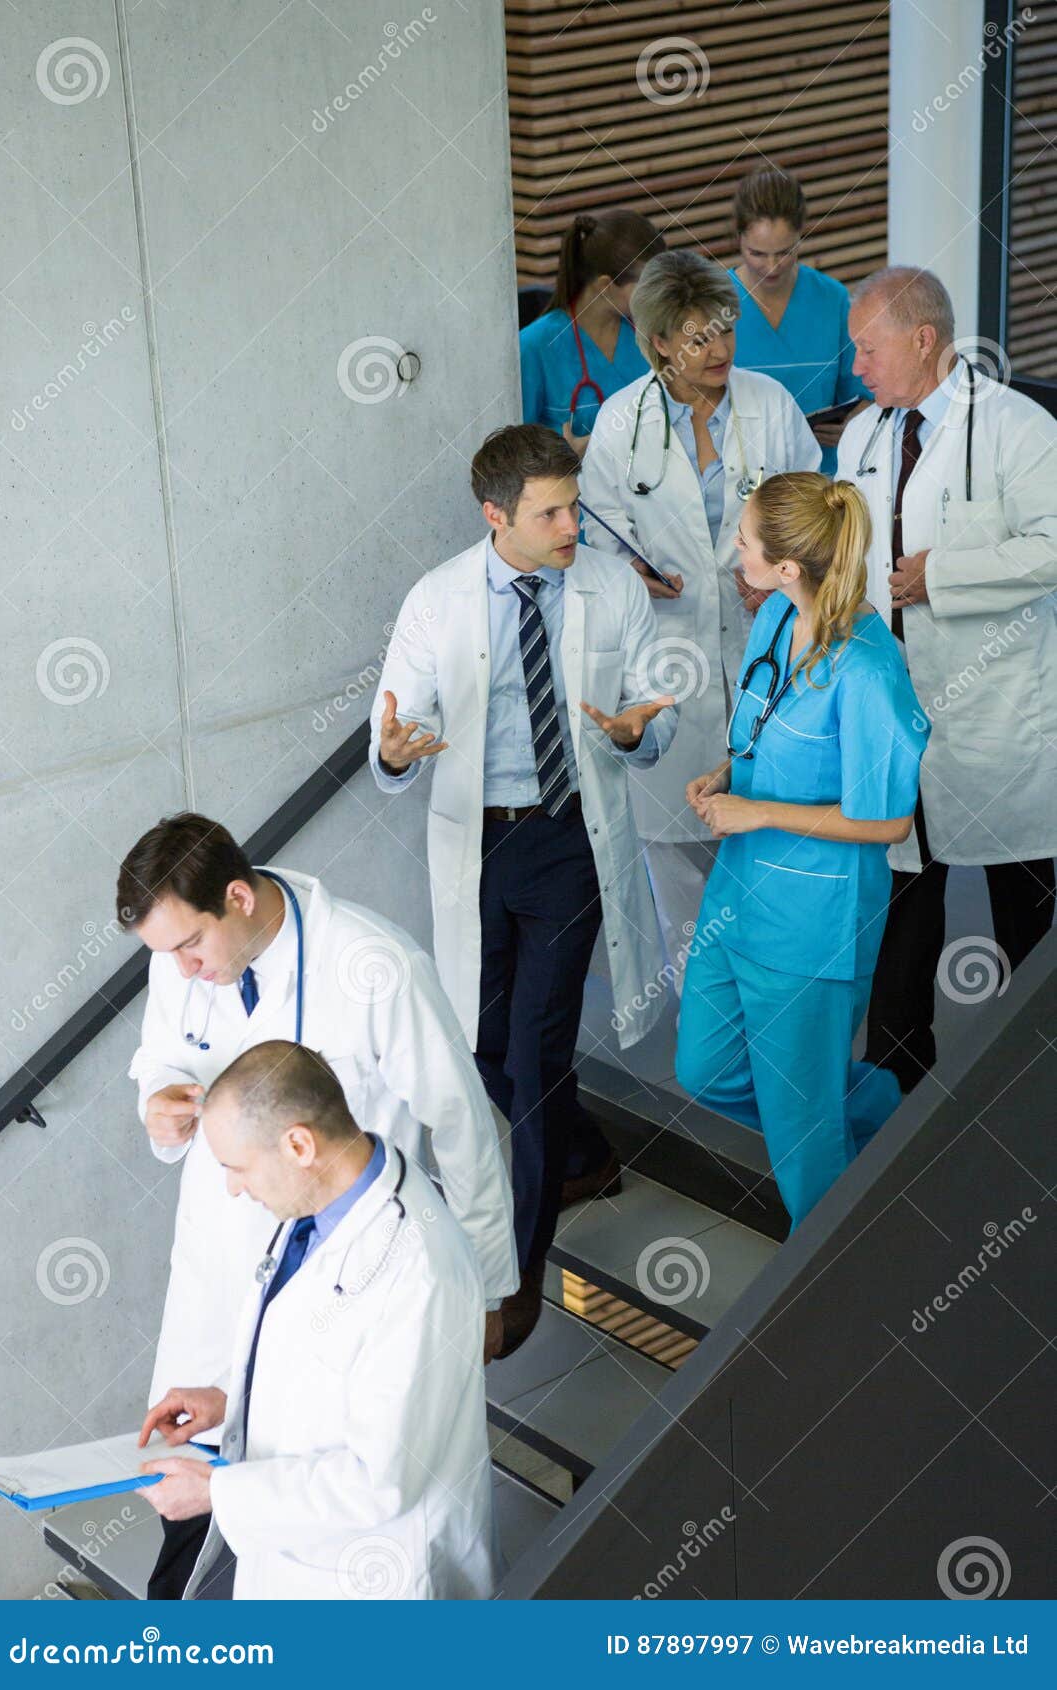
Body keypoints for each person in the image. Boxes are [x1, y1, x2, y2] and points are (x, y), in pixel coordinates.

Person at [119, 814, 517, 1597]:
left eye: (191, 946)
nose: (183, 970)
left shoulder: (374, 967)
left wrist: (489, 1291)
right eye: (167, 955)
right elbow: (158, 1056)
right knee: (198, 1513)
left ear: (238, 898)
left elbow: (462, 1123)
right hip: (223, 1274)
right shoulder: (180, 959)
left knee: (290, 1499)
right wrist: (156, 1101)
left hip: (345, 1267)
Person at [369, 424, 678, 1355]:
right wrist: (394, 753)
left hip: (570, 841)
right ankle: (582, 1155)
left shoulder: (611, 587)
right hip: (478, 844)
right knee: (482, 1041)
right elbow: (396, 726)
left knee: (537, 1057)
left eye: (573, 506)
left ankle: (519, 1269)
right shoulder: (437, 600)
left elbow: (649, 711)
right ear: (495, 515)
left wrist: (636, 733)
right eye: (550, 513)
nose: (571, 525)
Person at [138, 1041, 494, 1601]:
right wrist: (232, 1397)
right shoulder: (322, 1206)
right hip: (302, 1559)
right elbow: (320, 1354)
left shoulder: (418, 1271)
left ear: (298, 1144)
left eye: (237, 1168)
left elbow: (379, 1481)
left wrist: (216, 1493)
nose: (233, 1188)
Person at [675, 473, 929, 1229]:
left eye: (744, 540)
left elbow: (889, 822)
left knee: (803, 1141)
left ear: (787, 565)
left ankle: (833, 1274)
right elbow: (762, 732)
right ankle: (877, 1109)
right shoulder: (776, 618)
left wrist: (756, 810)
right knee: (704, 1069)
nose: (735, 551)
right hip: (739, 895)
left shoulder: (867, 669)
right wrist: (727, 774)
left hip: (812, 922)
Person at [838, 266, 1057, 1094]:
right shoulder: (861, 436)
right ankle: (894, 1077)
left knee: (1023, 916)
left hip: (998, 717)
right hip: (897, 714)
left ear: (922, 339)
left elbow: (1052, 546)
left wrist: (944, 575)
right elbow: (848, 554)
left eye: (867, 348)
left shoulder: (1015, 427)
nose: (855, 365)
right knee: (901, 906)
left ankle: (1033, 1082)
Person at [580, 250, 821, 990]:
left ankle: (780, 1008)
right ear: (658, 342)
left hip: (765, 649)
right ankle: (705, 1017)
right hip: (669, 656)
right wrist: (635, 576)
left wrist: (785, 576)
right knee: (682, 872)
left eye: (723, 330)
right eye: (695, 338)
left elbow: (816, 514)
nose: (718, 350)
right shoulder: (621, 422)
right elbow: (598, 541)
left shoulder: (770, 405)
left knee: (775, 855)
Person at [730, 166, 871, 473]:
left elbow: (865, 393)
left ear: (801, 236)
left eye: (784, 252)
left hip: (822, 480)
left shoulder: (832, 299)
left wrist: (856, 422)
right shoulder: (713, 305)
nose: (771, 267)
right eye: (757, 253)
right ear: (738, 239)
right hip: (739, 480)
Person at [520, 209, 665, 454]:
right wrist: (565, 457)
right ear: (605, 286)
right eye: (648, 285)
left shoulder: (654, 333)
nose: (658, 295)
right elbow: (514, 454)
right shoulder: (534, 347)